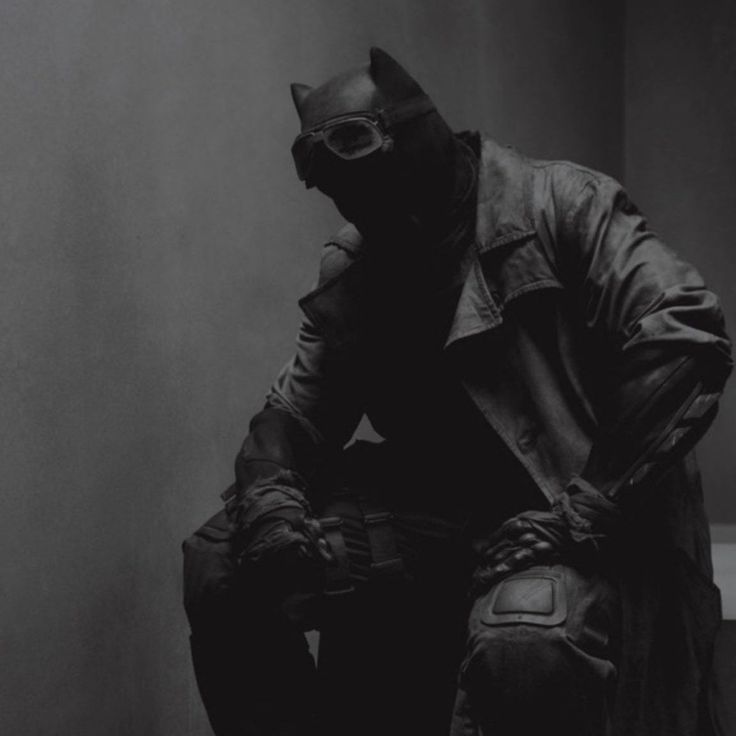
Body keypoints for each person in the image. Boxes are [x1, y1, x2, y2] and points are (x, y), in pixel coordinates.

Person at [182, 48, 732, 736]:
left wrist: (585, 506)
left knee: (527, 639)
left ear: (419, 142)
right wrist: (270, 496)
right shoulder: (357, 263)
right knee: (222, 568)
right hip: (435, 517)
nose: (361, 210)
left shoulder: (561, 203)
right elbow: (296, 411)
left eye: (374, 185)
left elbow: (684, 335)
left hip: (571, 509)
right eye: (344, 195)